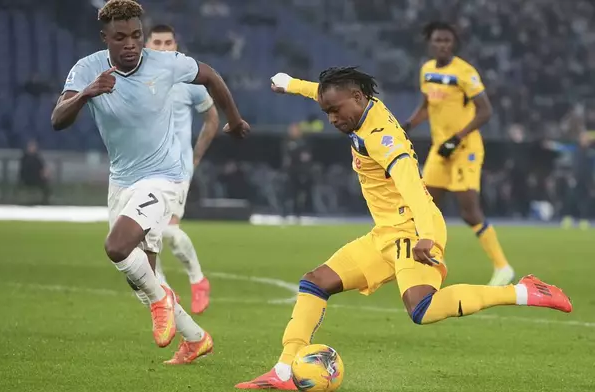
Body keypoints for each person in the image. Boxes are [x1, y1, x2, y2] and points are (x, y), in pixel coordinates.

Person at [234, 68, 572, 390]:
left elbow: (413, 188)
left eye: (336, 111)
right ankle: (283, 370)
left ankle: (523, 292)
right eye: (327, 112)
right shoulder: (363, 106)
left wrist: (426, 235)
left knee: (422, 309)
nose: (333, 119)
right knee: (315, 282)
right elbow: (323, 93)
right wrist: (292, 84)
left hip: (412, 231)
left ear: (357, 96)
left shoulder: (383, 140)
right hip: (386, 232)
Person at [50, 0, 248, 363]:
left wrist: (234, 120)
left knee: (117, 247)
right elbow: (58, 119)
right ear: (105, 38)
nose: (131, 44)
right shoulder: (87, 69)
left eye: (137, 36)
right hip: (121, 181)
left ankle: (163, 301)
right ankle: (195, 338)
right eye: (121, 37)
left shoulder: (166, 63)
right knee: (145, 278)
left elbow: (211, 76)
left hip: (164, 178)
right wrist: (86, 93)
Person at [401, 22, 515, 286]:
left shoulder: (465, 72)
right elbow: (427, 106)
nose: (442, 44)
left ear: (454, 44)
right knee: (426, 205)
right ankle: (429, 262)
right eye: (438, 40)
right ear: (430, 42)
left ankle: (503, 267)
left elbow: (485, 111)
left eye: (447, 40)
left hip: (465, 148)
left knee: (469, 211)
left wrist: (457, 138)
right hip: (440, 149)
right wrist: (407, 125)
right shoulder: (426, 70)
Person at [144, 24, 218, 314]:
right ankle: (164, 296)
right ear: (147, 45)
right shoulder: (137, 79)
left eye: (168, 43)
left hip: (176, 168)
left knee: (169, 232)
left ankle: (198, 281)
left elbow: (212, 119)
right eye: (157, 42)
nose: (163, 48)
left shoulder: (189, 82)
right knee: (145, 237)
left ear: (177, 46)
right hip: (144, 168)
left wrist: (195, 157)